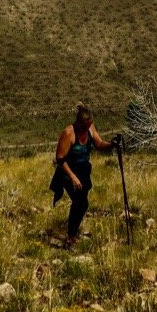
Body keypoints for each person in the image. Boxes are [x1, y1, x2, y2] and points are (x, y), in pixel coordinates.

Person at [49, 103, 119, 246]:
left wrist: (112, 144)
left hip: (84, 171)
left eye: (89, 125)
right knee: (79, 201)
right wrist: (73, 178)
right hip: (68, 173)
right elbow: (60, 159)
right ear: (79, 123)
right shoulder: (69, 133)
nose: (87, 128)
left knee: (83, 203)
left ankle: (72, 232)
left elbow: (99, 144)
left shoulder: (90, 129)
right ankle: (71, 236)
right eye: (85, 126)